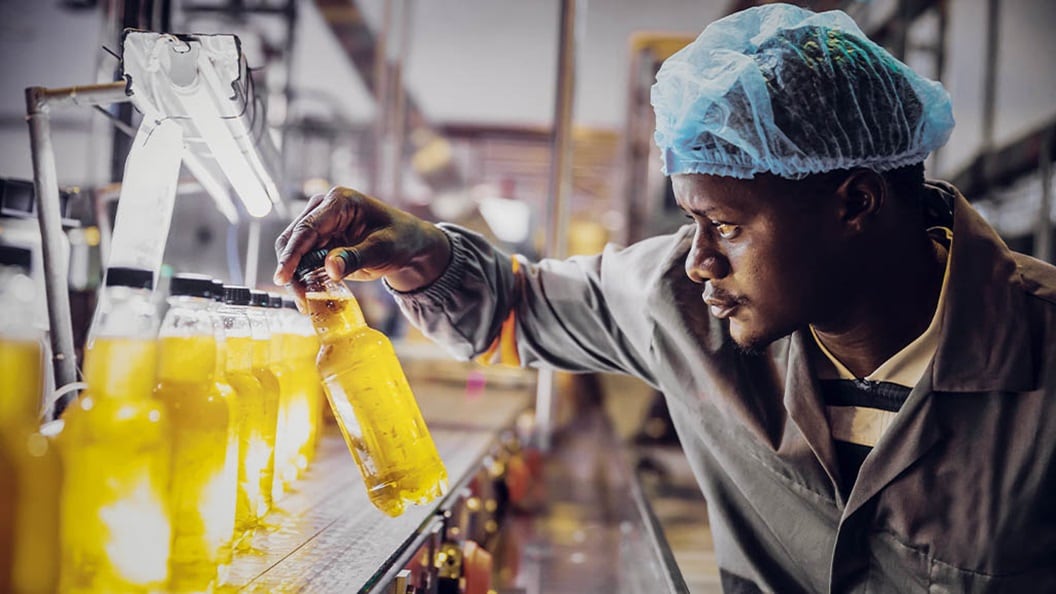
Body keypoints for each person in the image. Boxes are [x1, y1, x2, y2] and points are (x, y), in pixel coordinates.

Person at [274, 4, 1056, 592]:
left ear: (854, 204)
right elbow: (512, 306)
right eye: (691, 223)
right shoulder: (682, 302)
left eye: (725, 225)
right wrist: (419, 249)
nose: (699, 261)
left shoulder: (1042, 361)